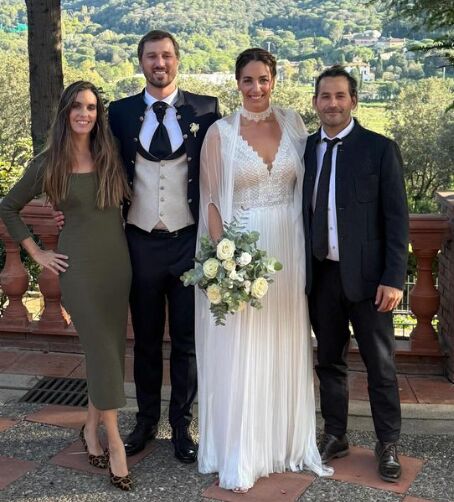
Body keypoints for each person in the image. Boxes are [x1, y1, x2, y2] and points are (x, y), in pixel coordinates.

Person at [196, 48, 331, 493]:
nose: (256, 88)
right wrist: (224, 261)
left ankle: (284, 443)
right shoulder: (219, 133)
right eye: (248, 80)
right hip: (244, 250)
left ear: (274, 80)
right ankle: (243, 450)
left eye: (264, 79)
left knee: (283, 340)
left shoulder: (294, 123)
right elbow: (213, 202)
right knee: (243, 347)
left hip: (288, 251)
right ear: (237, 83)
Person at [0, 81, 133, 491]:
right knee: (100, 348)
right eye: (77, 106)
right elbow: (8, 205)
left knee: (107, 350)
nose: (84, 114)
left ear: (98, 115)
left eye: (91, 107)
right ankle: (115, 444)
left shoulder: (109, 153)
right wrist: (36, 253)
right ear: (64, 111)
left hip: (116, 264)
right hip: (77, 268)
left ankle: (90, 429)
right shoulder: (48, 163)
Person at [108, 30, 221, 462]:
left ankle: (181, 425)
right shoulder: (119, 113)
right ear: (140, 61)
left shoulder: (206, 110)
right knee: (148, 340)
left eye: (167, 55)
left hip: (189, 241)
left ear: (178, 61)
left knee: (187, 342)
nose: (160, 62)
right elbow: (94, 165)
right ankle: (145, 421)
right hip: (139, 241)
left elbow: (221, 172)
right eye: (152, 56)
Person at [302, 65, 408, 483]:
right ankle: (337, 434)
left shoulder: (380, 149)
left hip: (370, 281)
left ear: (353, 101)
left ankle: (389, 443)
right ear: (315, 102)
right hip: (322, 276)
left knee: (380, 365)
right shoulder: (306, 149)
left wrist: (394, 277)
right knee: (329, 361)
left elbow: (396, 219)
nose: (332, 104)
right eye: (325, 96)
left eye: (340, 96)